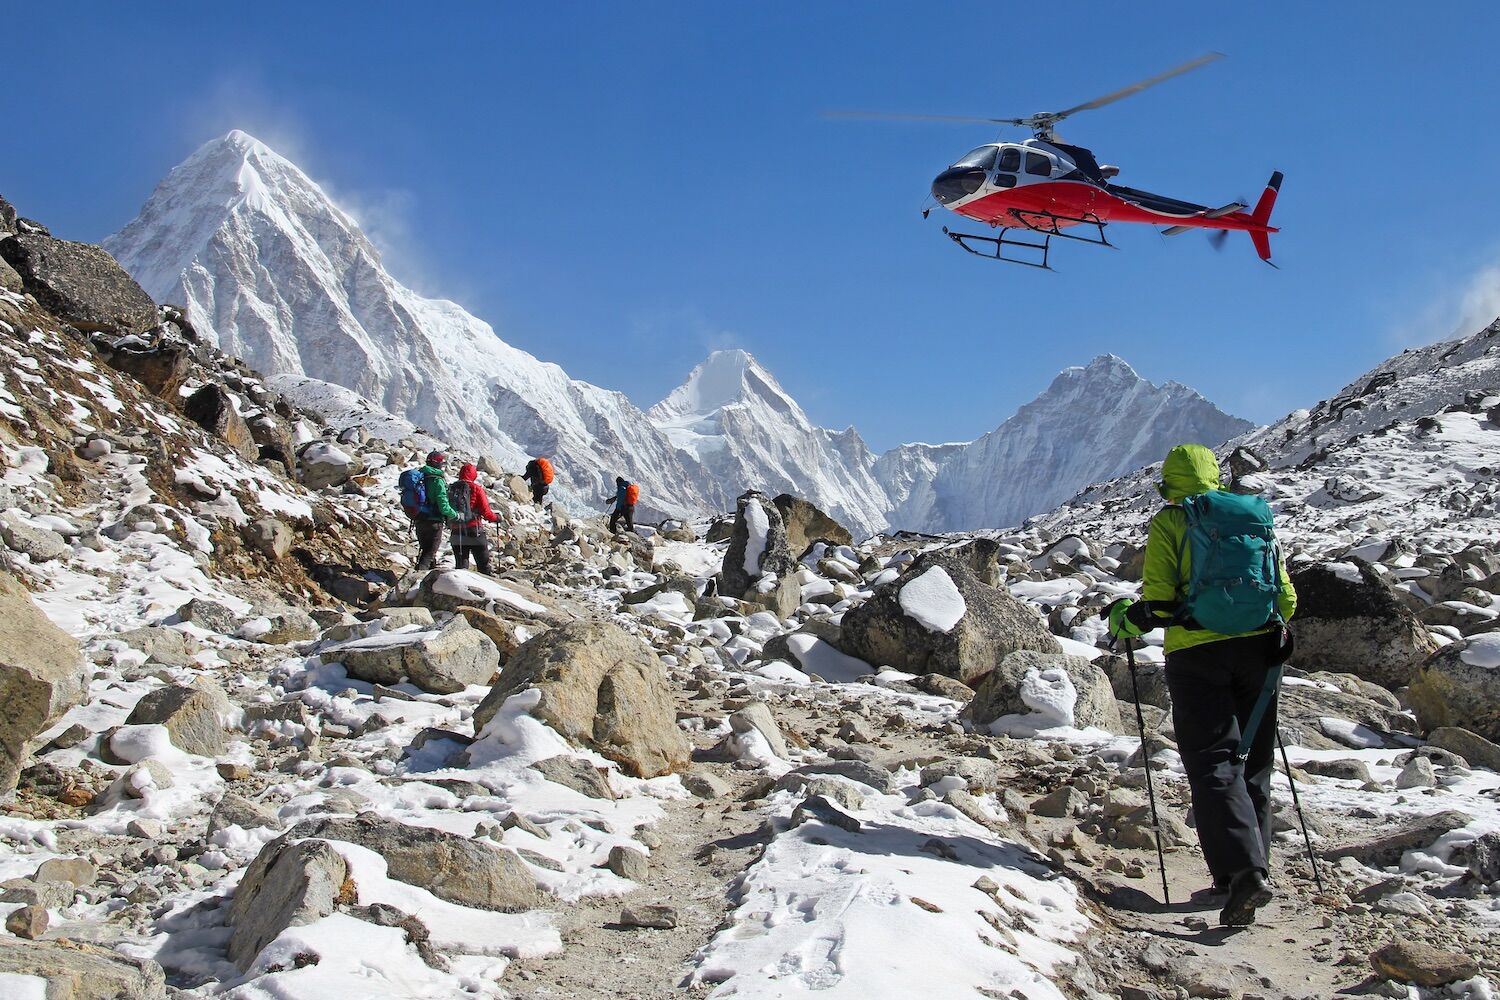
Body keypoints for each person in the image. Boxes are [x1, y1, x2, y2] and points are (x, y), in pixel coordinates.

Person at [1107, 443, 1297, 927]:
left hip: (1197, 654)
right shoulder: (1253, 516)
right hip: (1261, 651)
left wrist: (1128, 620)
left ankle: (1243, 874)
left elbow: (1161, 604)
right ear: (1216, 476)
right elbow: (1287, 597)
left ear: (1168, 482)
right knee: (1252, 760)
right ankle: (1244, 875)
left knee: (1213, 760)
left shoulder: (1171, 521)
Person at [448, 462, 501, 573]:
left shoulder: (452, 488)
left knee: (461, 567)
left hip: (457, 531)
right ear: (474, 475)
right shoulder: (476, 488)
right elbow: (486, 512)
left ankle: (459, 588)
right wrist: (496, 518)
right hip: (474, 530)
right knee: (483, 566)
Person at [411, 451, 458, 572]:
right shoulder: (437, 480)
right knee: (429, 553)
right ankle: (417, 578)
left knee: (425, 550)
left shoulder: (421, 477)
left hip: (419, 519)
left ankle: (428, 581)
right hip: (434, 521)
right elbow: (443, 505)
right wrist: (454, 514)